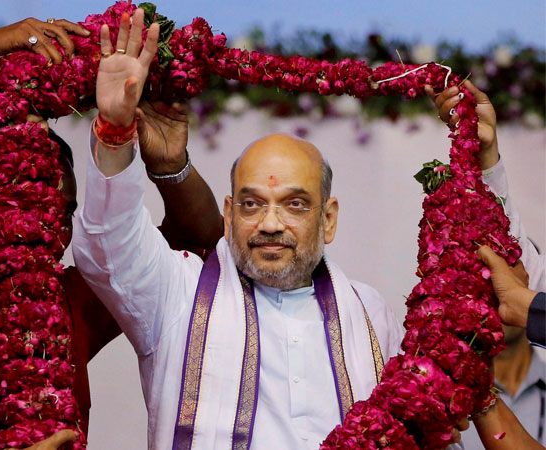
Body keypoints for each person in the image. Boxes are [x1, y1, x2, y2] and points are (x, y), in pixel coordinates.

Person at [73, 10, 465, 449]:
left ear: (328, 219)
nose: (271, 224)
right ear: (228, 215)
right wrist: (115, 130)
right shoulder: (178, 293)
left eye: (294, 204)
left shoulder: (369, 313)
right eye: (252, 204)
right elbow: (109, 245)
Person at [0, 19, 222, 450]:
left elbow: (196, 242)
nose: (51, 221)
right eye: (32, 191)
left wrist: (170, 166)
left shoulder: (68, 297)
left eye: (66, 211)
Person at [428, 83, 546, 449]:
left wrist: (526, 307)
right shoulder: (435, 395)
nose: (489, 283)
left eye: (501, 268)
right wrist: (486, 158)